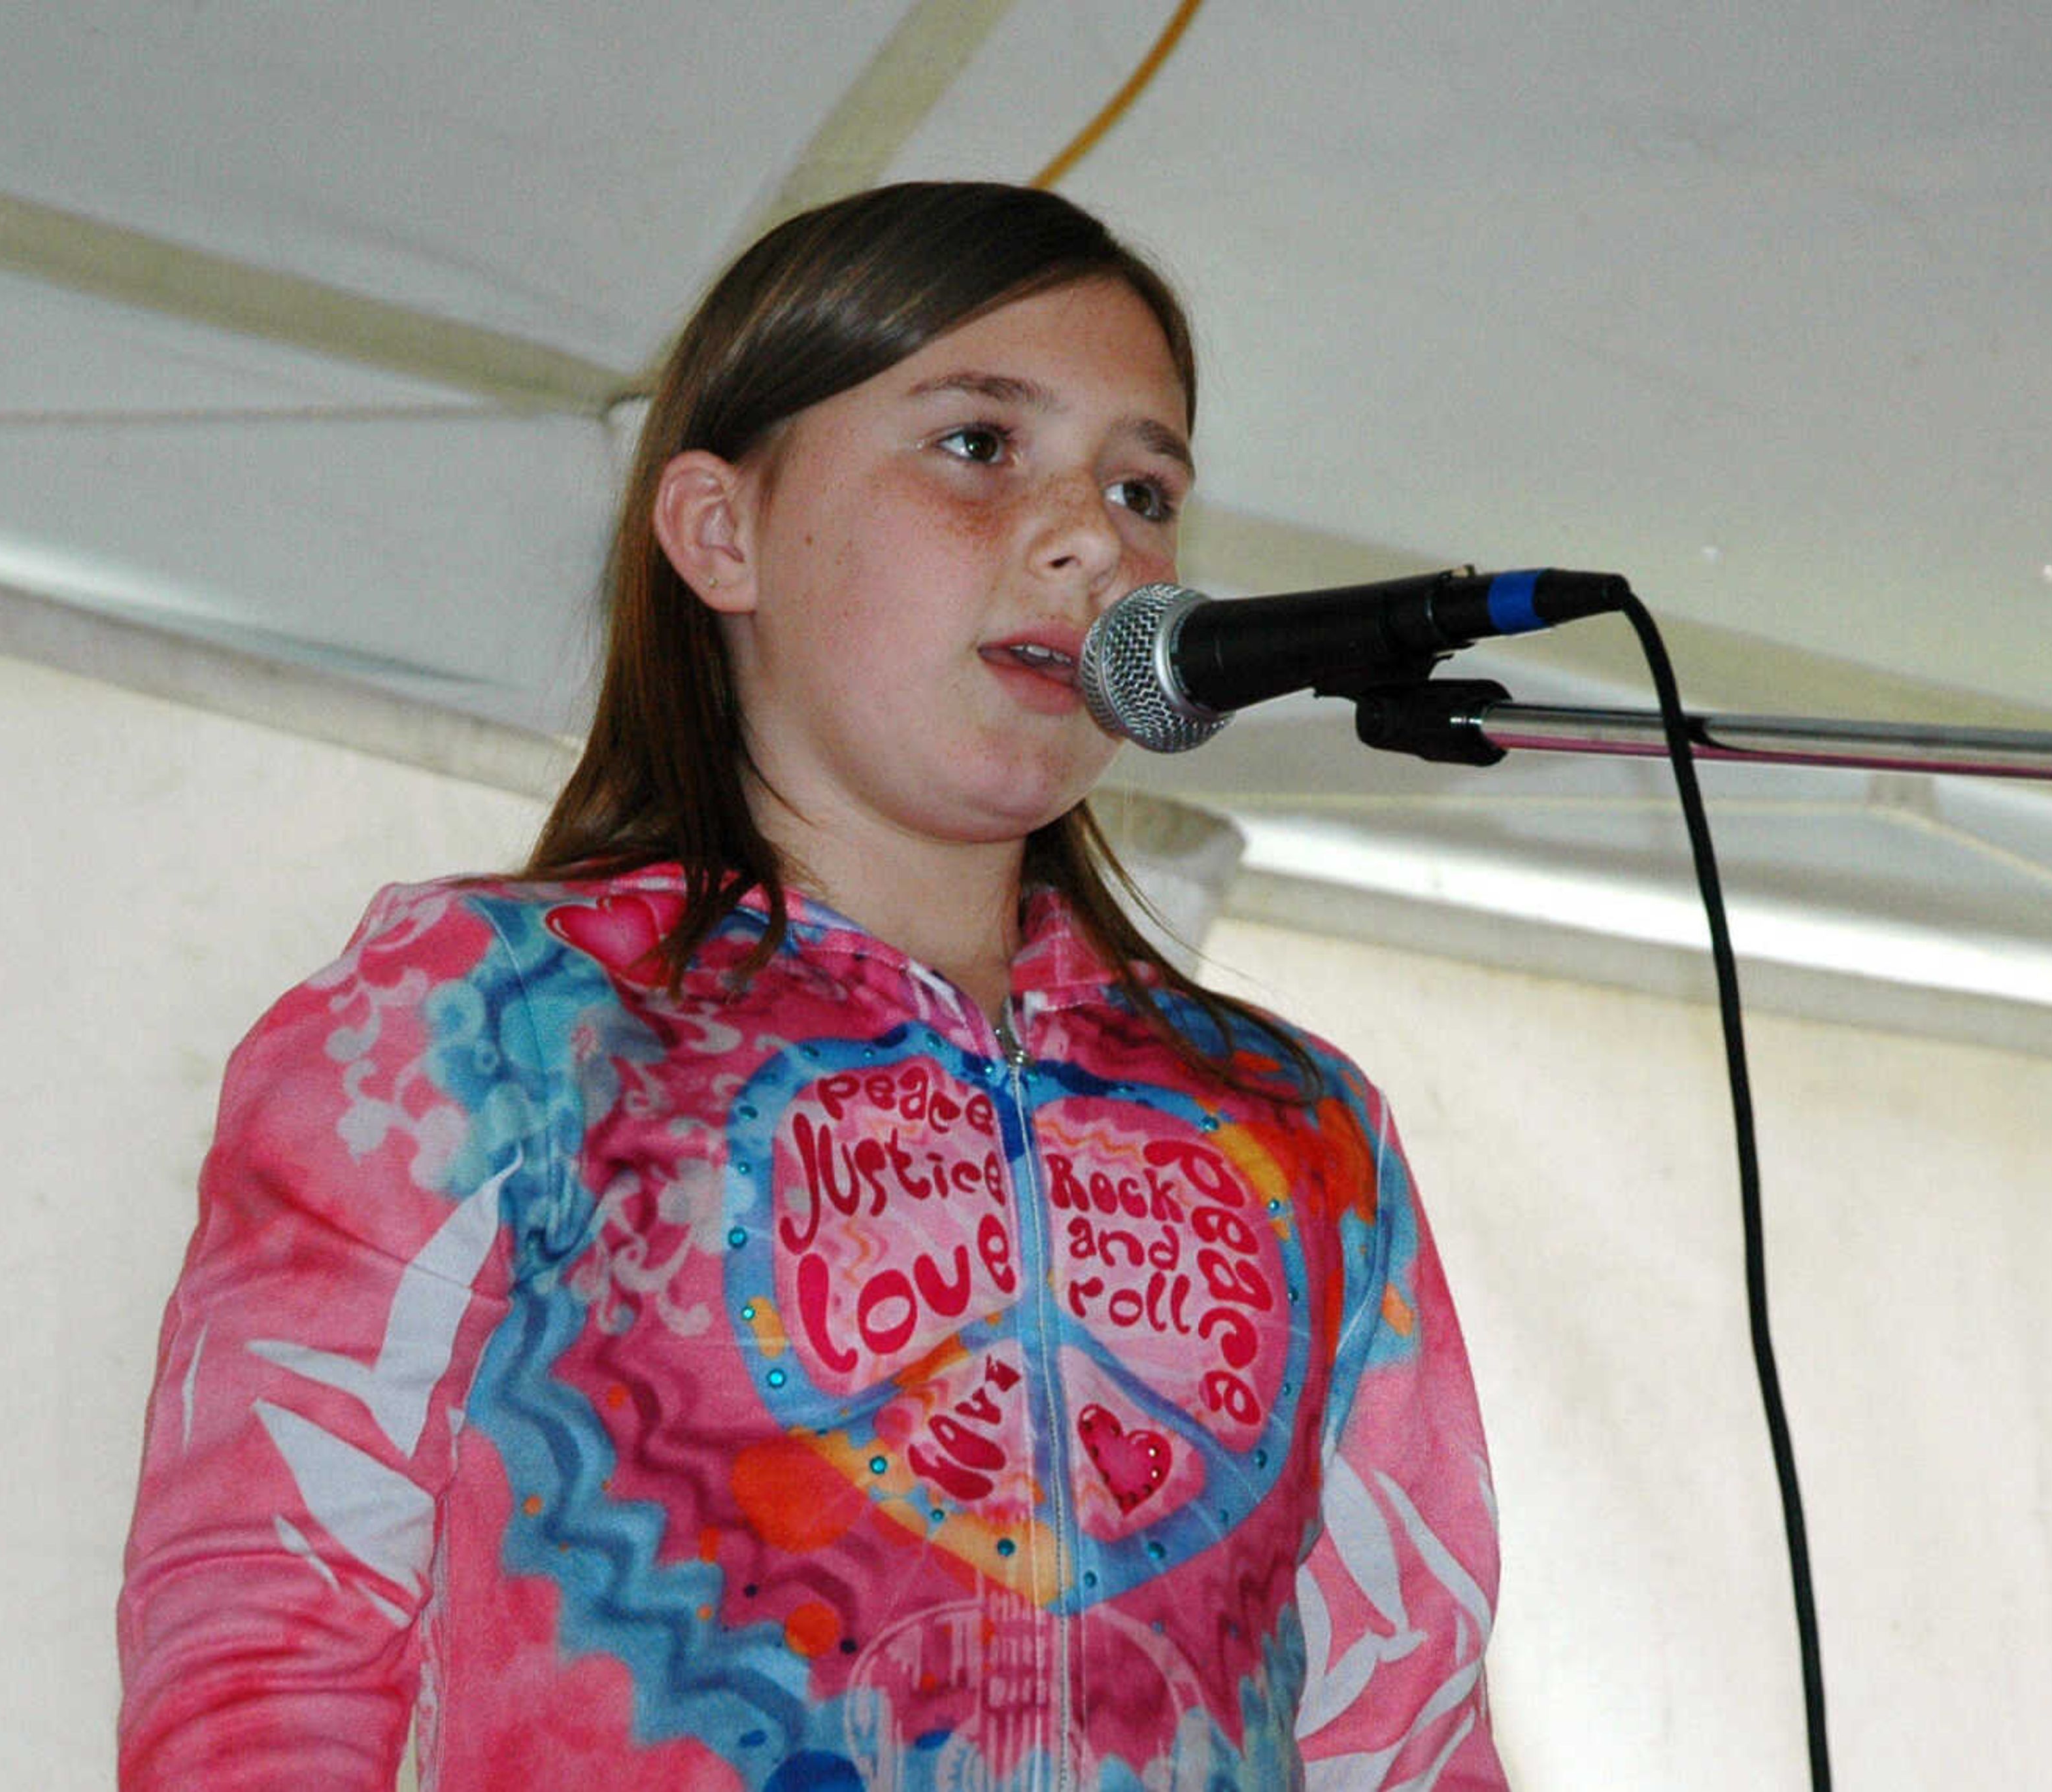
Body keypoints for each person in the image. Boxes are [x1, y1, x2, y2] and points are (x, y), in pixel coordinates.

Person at [118, 181, 1505, 1791]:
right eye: (981, 445)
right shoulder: (480, 1021)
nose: (1092, 542)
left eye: (1144, 490)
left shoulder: (1298, 1123)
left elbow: (1405, 1729)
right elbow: (263, 1653)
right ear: (723, 532)